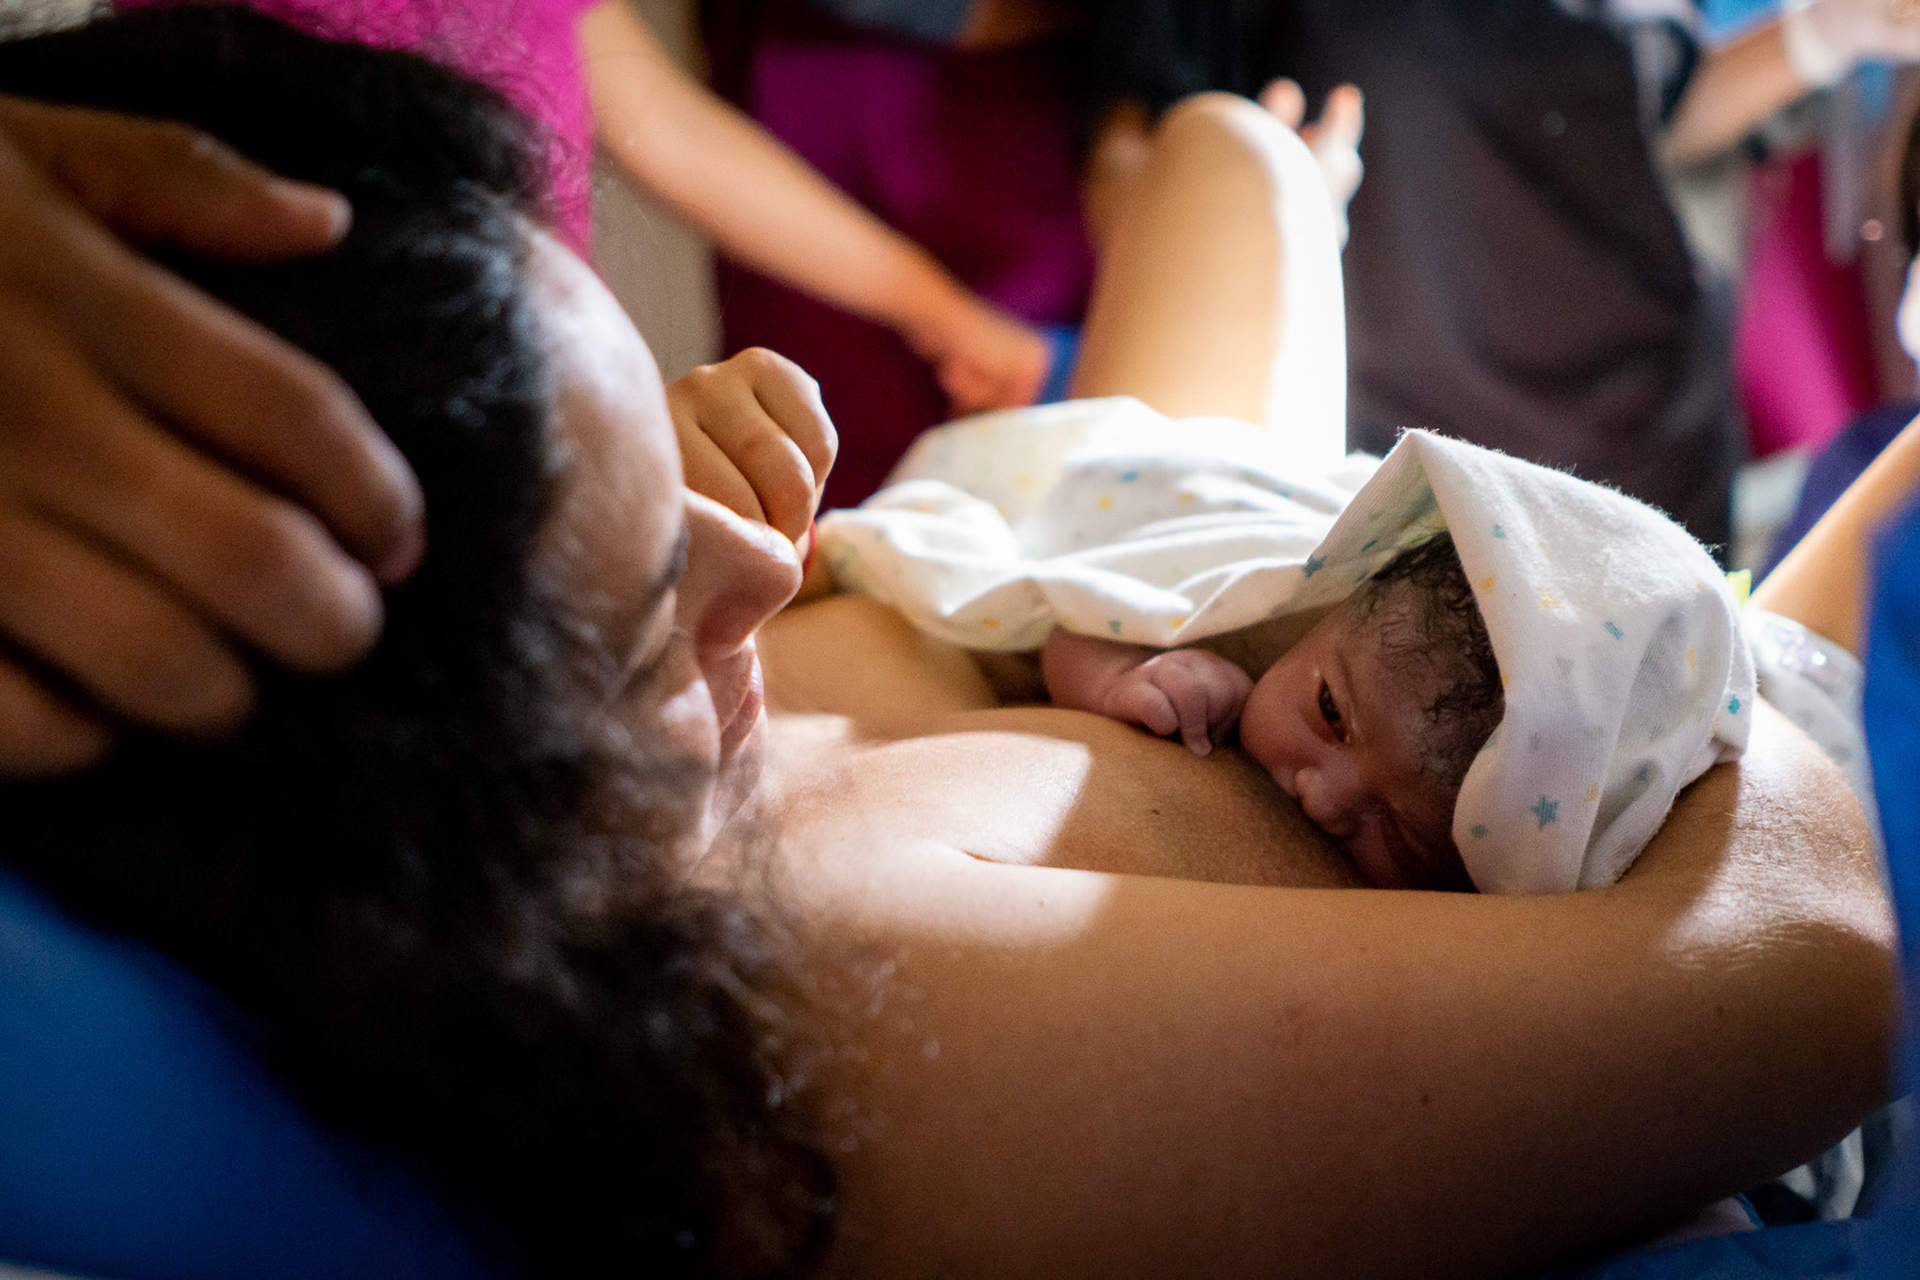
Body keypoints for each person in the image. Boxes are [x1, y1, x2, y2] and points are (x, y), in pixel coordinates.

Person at [0, 10, 1895, 1278]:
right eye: (650, 598)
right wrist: (1673, 641)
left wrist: (637, 466)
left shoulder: (614, 773)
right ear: (456, 791)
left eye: (664, 457)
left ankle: (1262, 183)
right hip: (1188, 575)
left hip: (1053, 536)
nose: (763, 559)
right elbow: (1821, 965)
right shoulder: (831, 994)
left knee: (1236, 155)